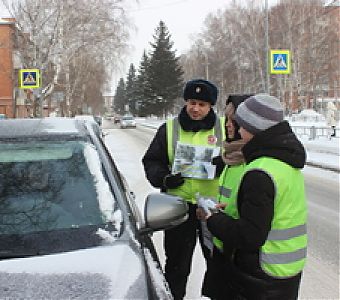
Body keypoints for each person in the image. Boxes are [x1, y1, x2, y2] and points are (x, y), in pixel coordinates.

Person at [201, 94, 308, 300]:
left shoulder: (259, 171)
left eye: (241, 125)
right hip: (286, 271)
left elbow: (249, 236)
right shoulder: (285, 163)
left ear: (254, 128)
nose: (237, 130)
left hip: (261, 275)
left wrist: (213, 219)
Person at [142, 79, 225, 300]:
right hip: (178, 208)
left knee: (219, 265)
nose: (196, 108)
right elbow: (152, 161)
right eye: (192, 102)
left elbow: (239, 160)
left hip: (213, 208)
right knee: (177, 267)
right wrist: (165, 179)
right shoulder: (169, 129)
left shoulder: (224, 128)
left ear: (211, 107)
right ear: (186, 102)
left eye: (202, 104)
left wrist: (223, 164)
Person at [200, 94, 253, 299]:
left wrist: (216, 217)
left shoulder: (253, 163)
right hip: (222, 249)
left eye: (235, 121)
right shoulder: (229, 158)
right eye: (227, 120)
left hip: (240, 259)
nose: (229, 126)